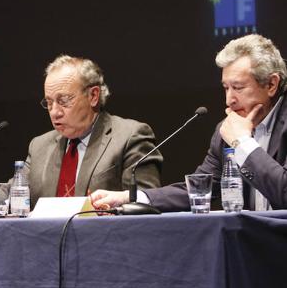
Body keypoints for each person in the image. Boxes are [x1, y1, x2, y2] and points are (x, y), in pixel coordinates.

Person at [0, 55, 162, 216]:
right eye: (48, 103)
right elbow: (14, 192)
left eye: (64, 100)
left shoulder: (129, 135)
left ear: (93, 96)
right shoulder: (40, 145)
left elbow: (145, 199)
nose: (55, 112)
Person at [92, 34, 287, 211]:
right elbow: (199, 189)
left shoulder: (237, 134)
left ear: (271, 84)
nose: (229, 100)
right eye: (226, 88)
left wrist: (243, 142)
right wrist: (130, 197)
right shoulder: (227, 131)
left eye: (238, 87)